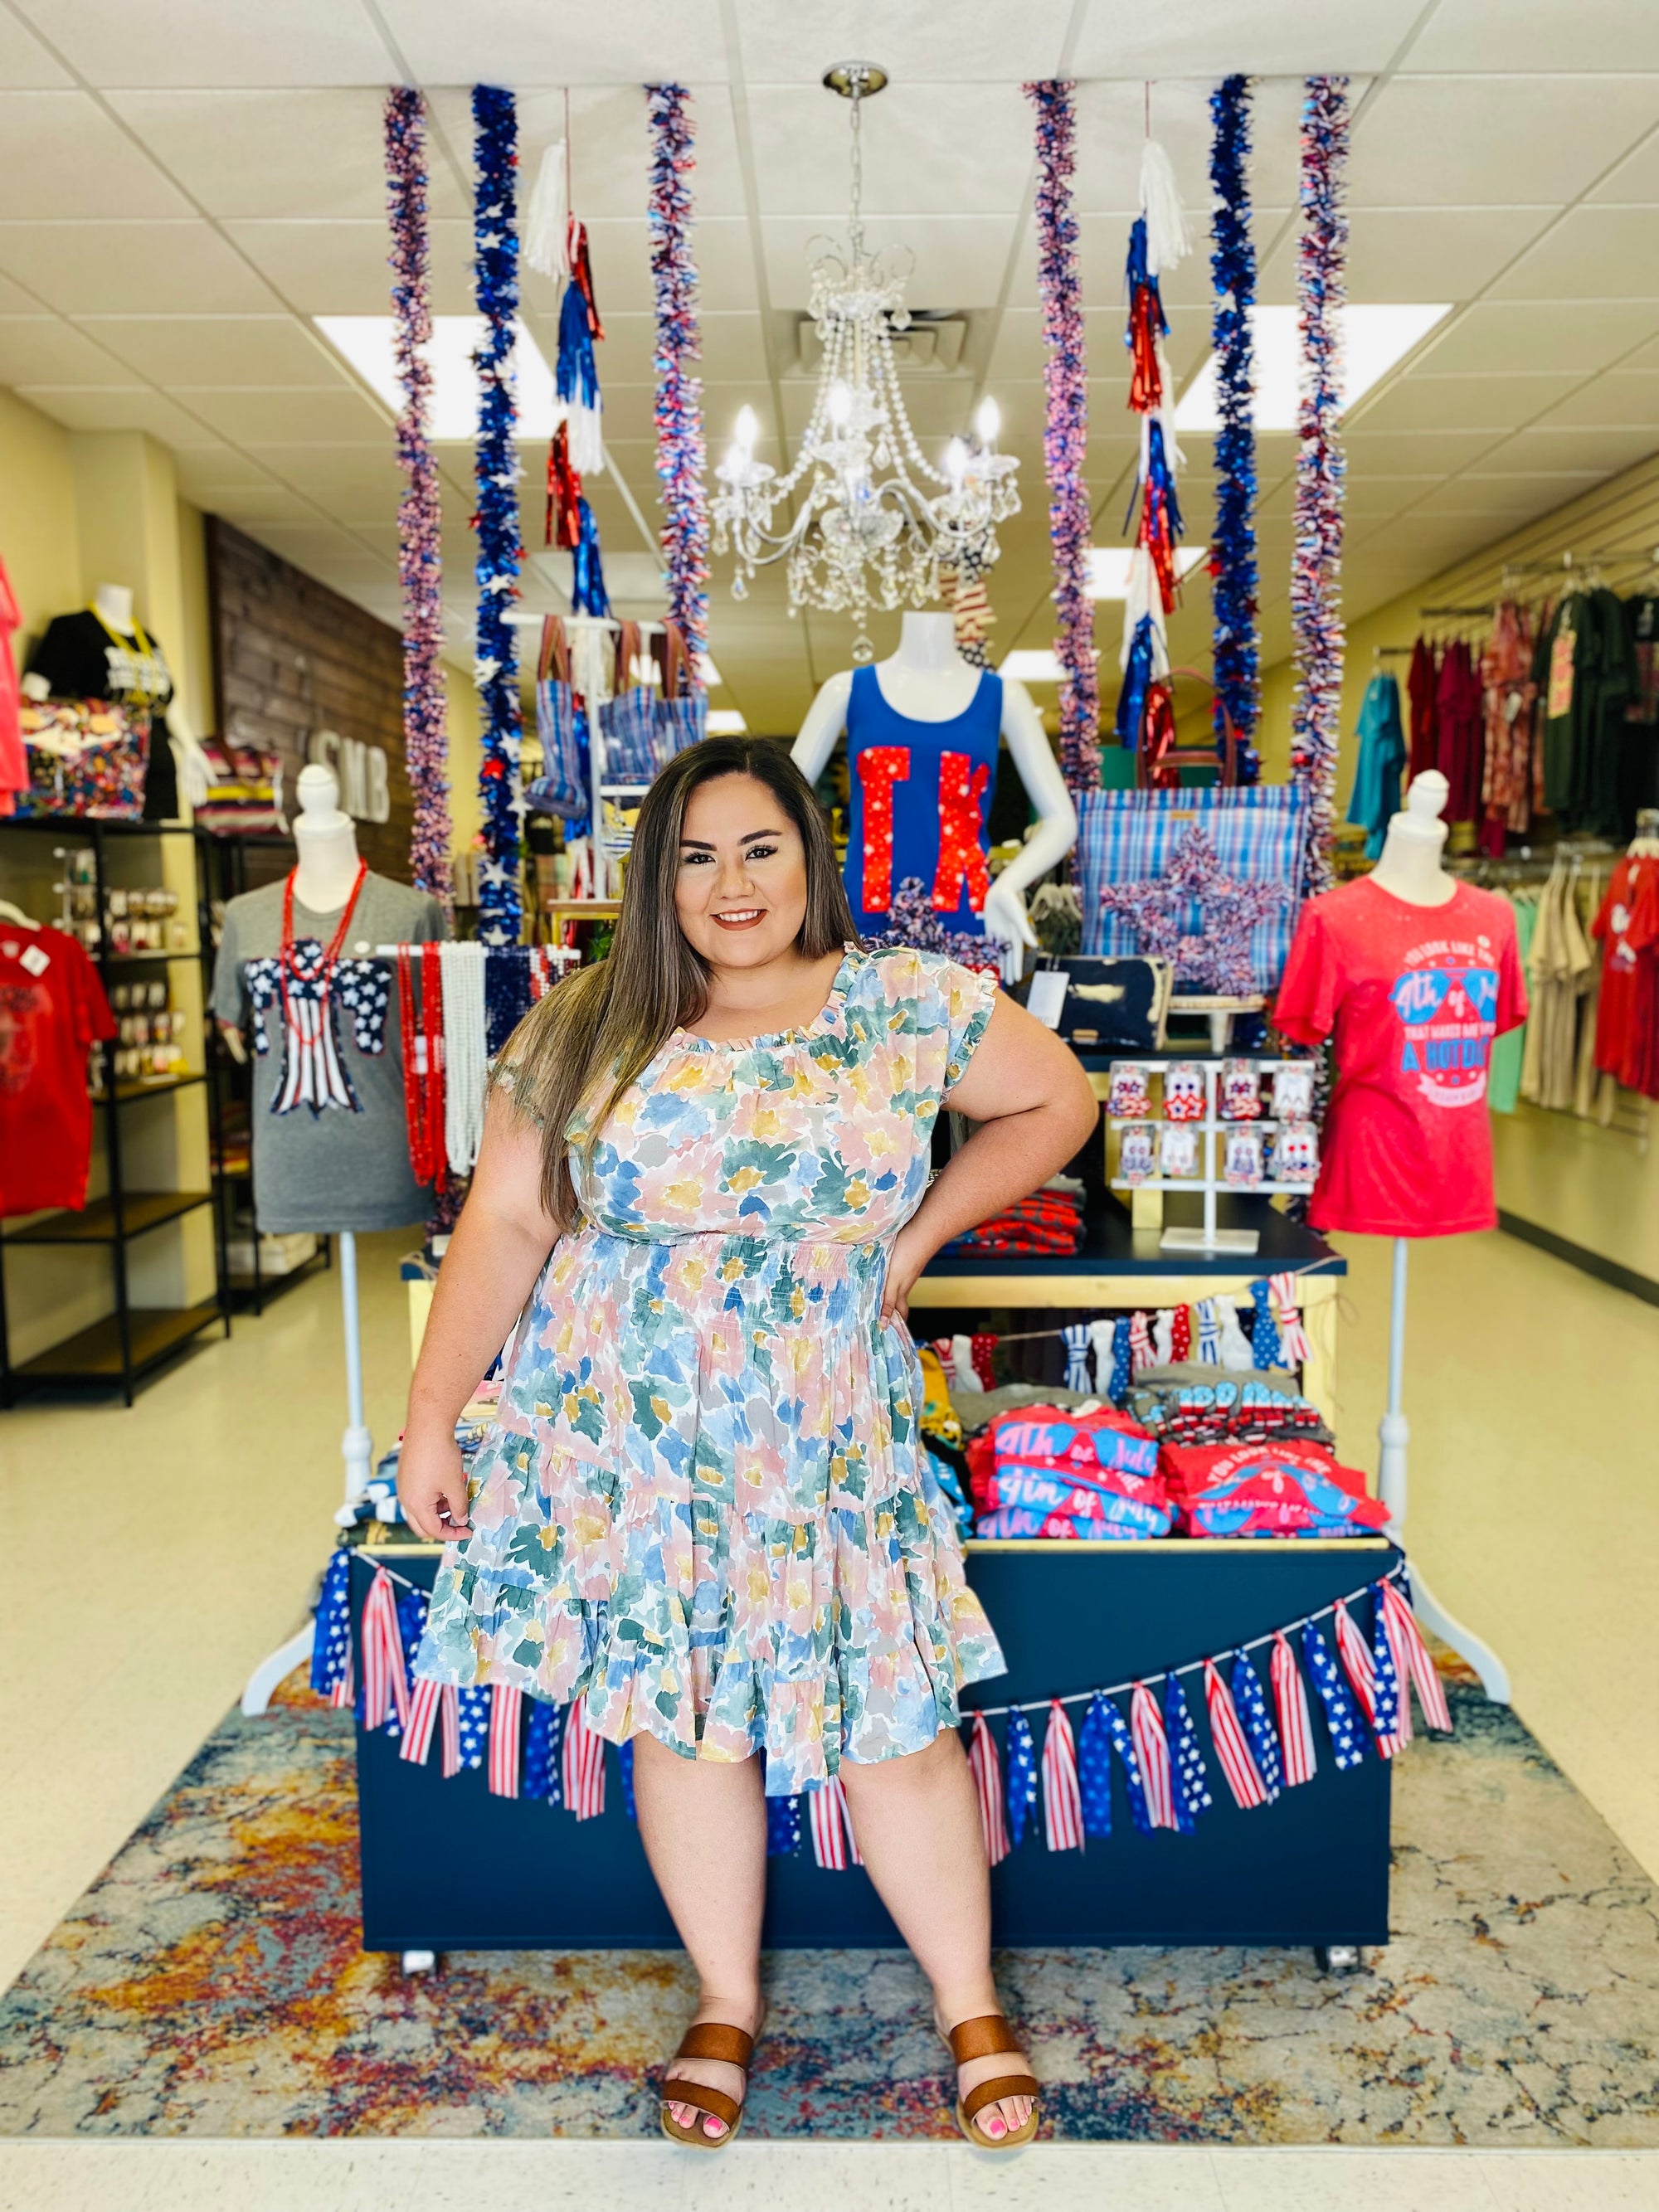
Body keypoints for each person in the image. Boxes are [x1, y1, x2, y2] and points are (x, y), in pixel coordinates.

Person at [399, 736, 1098, 2151]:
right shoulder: (586, 1020)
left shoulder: (907, 1000)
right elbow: (511, 1226)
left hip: (830, 1433)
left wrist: (914, 1240)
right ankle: (724, 1998)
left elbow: (1057, 1101)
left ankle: (972, 2006)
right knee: (687, 1711)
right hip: (637, 1439)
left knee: (892, 1718)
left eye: (760, 848)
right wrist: (431, 1417)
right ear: (659, 875)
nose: (732, 884)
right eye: (698, 855)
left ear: (809, 856)